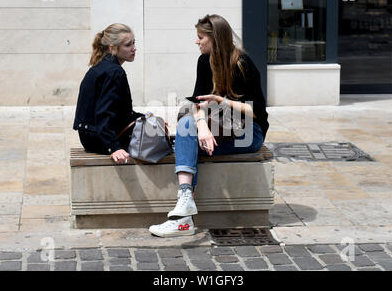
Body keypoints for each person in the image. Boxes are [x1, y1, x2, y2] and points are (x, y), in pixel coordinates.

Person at [149, 14, 269, 237]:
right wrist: (202, 126)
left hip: (249, 133)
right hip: (219, 129)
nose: (197, 42)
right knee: (188, 127)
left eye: (200, 37)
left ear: (215, 39)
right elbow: (198, 103)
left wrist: (223, 101)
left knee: (186, 141)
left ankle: (183, 220)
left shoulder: (242, 64)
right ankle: (184, 203)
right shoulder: (204, 62)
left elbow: (257, 112)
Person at [73, 23, 144, 164]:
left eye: (133, 43)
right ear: (113, 48)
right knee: (157, 144)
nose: (134, 49)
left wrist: (144, 118)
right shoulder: (115, 72)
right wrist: (114, 147)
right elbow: (104, 113)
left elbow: (119, 111)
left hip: (89, 136)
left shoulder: (101, 67)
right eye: (128, 45)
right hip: (100, 139)